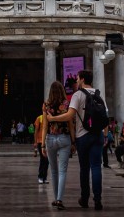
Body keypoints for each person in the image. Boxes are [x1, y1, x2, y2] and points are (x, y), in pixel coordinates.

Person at [47, 68, 105, 211]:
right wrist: (103, 135)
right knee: (96, 167)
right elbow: (105, 118)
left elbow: (69, 115)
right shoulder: (98, 94)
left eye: (78, 78)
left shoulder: (77, 95)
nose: (77, 81)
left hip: (82, 136)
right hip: (97, 135)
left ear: (83, 79)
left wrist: (52, 118)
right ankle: (97, 200)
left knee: (84, 168)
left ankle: (84, 198)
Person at [41, 81, 73, 210]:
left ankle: (56, 198)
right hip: (64, 138)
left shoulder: (46, 104)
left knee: (53, 171)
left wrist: (42, 145)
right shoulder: (66, 104)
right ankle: (59, 199)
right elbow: (71, 124)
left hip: (50, 139)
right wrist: (74, 141)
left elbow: (44, 126)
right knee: (62, 170)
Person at [33, 109, 48, 184]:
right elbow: (36, 131)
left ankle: (44, 177)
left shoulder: (49, 117)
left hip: (47, 141)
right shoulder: (39, 118)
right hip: (40, 141)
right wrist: (35, 142)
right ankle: (40, 177)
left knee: (47, 160)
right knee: (43, 159)